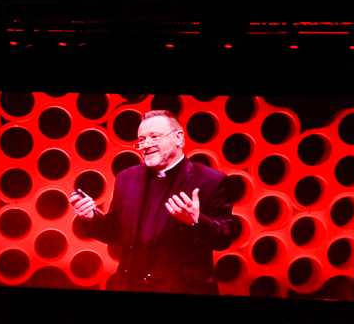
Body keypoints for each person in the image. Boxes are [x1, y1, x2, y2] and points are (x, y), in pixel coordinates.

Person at [68, 109, 239, 294]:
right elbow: (115, 233)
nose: (145, 145)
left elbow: (224, 238)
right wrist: (91, 217)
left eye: (154, 137)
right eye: (141, 140)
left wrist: (196, 221)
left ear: (179, 138)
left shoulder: (211, 180)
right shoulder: (126, 177)